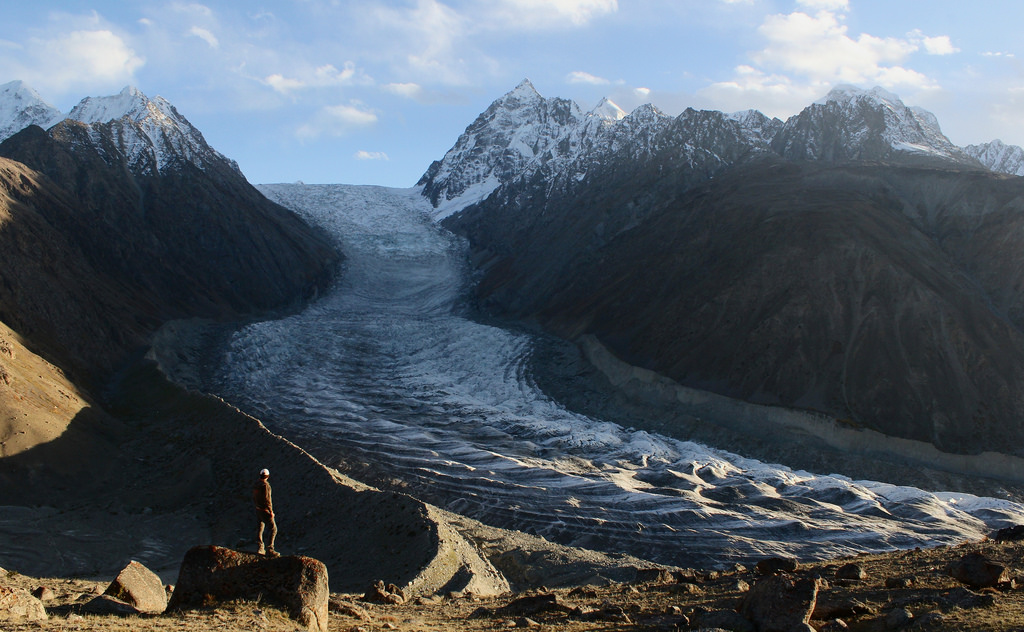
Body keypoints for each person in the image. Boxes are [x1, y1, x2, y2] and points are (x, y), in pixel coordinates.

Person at [253, 468, 278, 557]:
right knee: (273, 528)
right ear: (267, 476)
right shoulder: (265, 485)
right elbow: (268, 499)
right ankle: (270, 549)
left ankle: (259, 547)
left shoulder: (256, 484)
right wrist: (271, 511)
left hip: (258, 509)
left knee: (260, 528)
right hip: (265, 510)